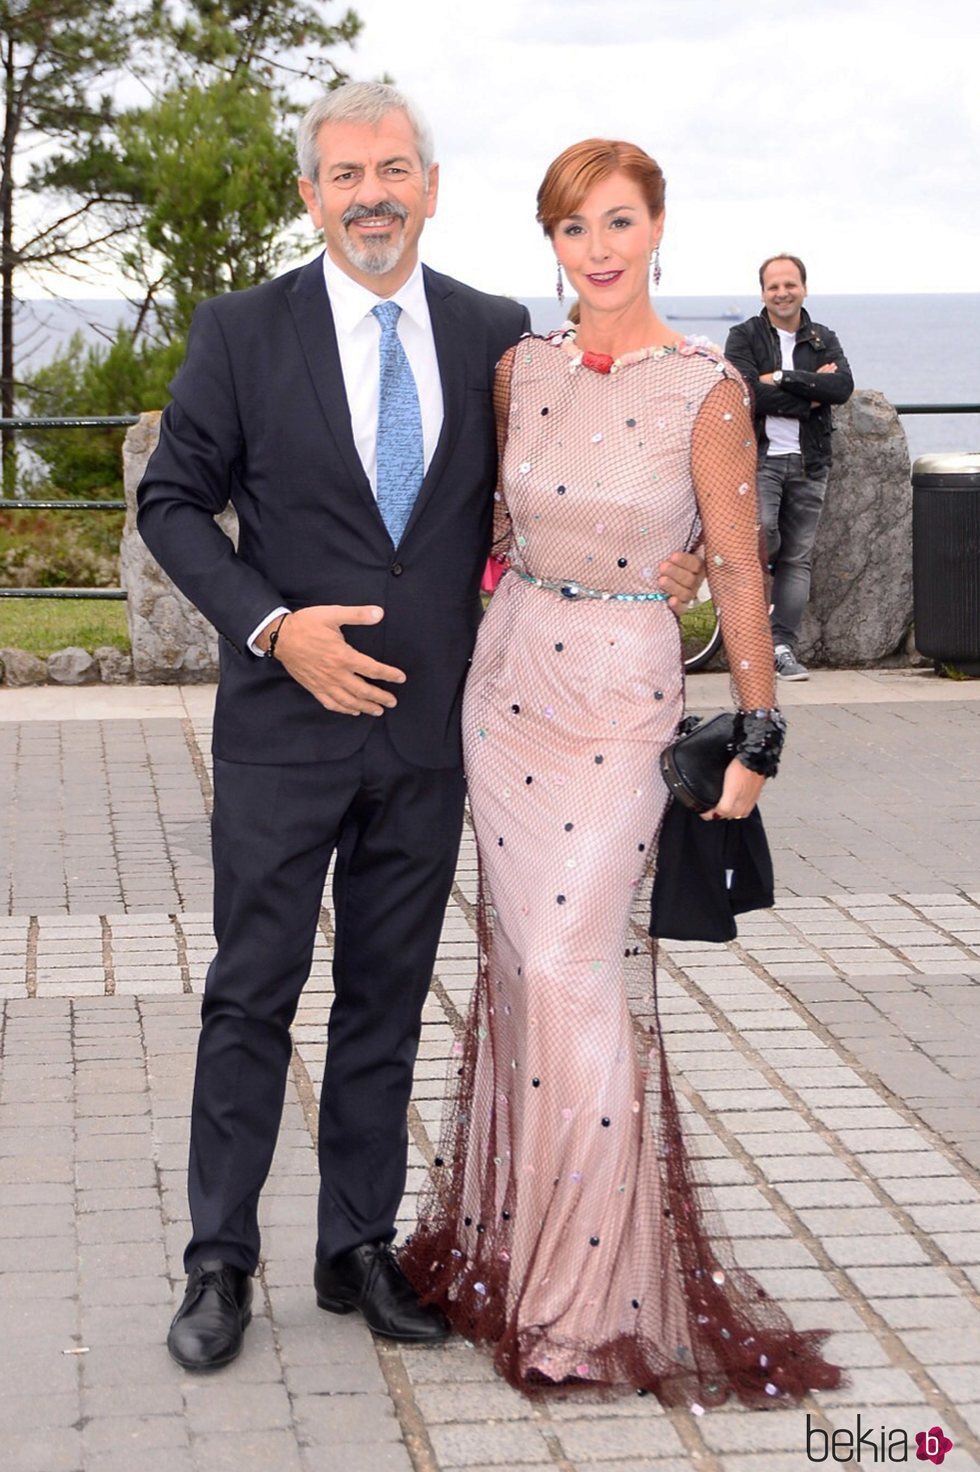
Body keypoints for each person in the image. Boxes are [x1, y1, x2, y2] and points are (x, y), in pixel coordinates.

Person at [137, 83, 703, 1372]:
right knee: (249, 995)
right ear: (310, 196)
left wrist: (654, 567)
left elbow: (555, 491)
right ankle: (219, 1257)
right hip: (282, 730)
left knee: (385, 995)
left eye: (394, 168)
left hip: (434, 740)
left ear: (431, 186)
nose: (372, 192)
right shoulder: (238, 333)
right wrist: (276, 625)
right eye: (345, 175)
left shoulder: (493, 334)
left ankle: (355, 1244)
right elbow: (172, 503)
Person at [401, 140, 843, 1409]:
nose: (593, 248)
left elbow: (740, 561)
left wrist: (756, 734)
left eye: (615, 222)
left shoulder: (706, 387)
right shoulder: (518, 369)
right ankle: (519, 1251)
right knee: (522, 977)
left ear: (654, 228)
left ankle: (591, 1301)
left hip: (620, 694)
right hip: (509, 683)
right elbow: (489, 526)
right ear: (550, 244)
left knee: (568, 966)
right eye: (569, 228)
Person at [725, 256, 853, 681]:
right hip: (761, 460)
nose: (782, 292)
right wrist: (809, 389)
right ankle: (755, 632)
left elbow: (841, 388)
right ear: (763, 292)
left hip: (810, 462)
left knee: (797, 559)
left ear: (804, 287)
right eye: (774, 286)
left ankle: (781, 646)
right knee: (765, 537)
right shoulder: (742, 336)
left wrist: (779, 377)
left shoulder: (822, 337)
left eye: (790, 284)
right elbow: (746, 395)